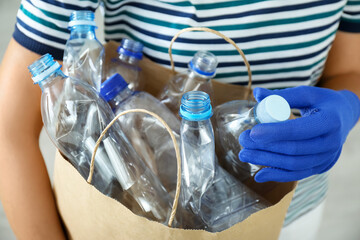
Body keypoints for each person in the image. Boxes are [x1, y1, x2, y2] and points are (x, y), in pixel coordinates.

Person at [0, 0, 359, 239]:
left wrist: (346, 105)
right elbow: (9, 129)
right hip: (129, 228)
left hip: (288, 217)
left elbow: (350, 68)